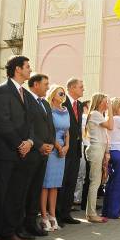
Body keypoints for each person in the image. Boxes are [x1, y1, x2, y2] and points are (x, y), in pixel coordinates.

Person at [0, 55, 34, 240]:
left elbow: (31, 123)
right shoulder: (1, 91)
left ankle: (8, 232)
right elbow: (3, 123)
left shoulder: (26, 94)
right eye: (27, 66)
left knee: (14, 195)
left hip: (21, 153)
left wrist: (29, 141)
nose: (30, 69)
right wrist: (19, 144)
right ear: (17, 69)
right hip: (2, 152)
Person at [21, 74, 55, 238]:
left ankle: (31, 223)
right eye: (45, 84)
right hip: (32, 153)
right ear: (35, 84)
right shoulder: (26, 99)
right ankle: (20, 225)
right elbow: (28, 127)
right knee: (25, 189)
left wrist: (51, 143)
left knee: (36, 189)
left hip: (44, 154)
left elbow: (50, 126)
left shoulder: (45, 103)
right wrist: (40, 144)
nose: (48, 87)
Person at [40, 85, 68, 231]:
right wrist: (58, 147)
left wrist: (66, 146)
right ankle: (43, 217)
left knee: (55, 185)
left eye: (64, 93)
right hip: (51, 148)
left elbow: (67, 131)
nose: (63, 95)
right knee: (46, 184)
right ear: (53, 94)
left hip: (62, 151)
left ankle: (53, 216)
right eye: (60, 93)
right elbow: (49, 131)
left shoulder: (65, 110)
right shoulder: (48, 110)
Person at [57, 78, 84, 226]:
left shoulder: (79, 105)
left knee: (71, 182)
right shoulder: (62, 101)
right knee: (61, 182)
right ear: (72, 88)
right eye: (81, 87)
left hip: (76, 149)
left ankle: (66, 213)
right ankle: (57, 214)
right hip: (63, 148)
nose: (83, 89)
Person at [84, 93, 114, 223]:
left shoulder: (99, 115)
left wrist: (107, 152)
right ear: (99, 102)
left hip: (100, 149)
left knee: (97, 181)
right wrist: (111, 110)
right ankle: (91, 213)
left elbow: (105, 135)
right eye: (104, 101)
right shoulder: (95, 114)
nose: (106, 104)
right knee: (95, 182)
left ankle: (90, 213)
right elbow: (111, 126)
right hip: (96, 149)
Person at [74, 101, 89, 206]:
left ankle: (78, 197)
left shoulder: (86, 118)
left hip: (85, 145)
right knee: (80, 174)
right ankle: (76, 198)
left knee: (82, 174)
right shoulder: (84, 117)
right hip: (82, 145)